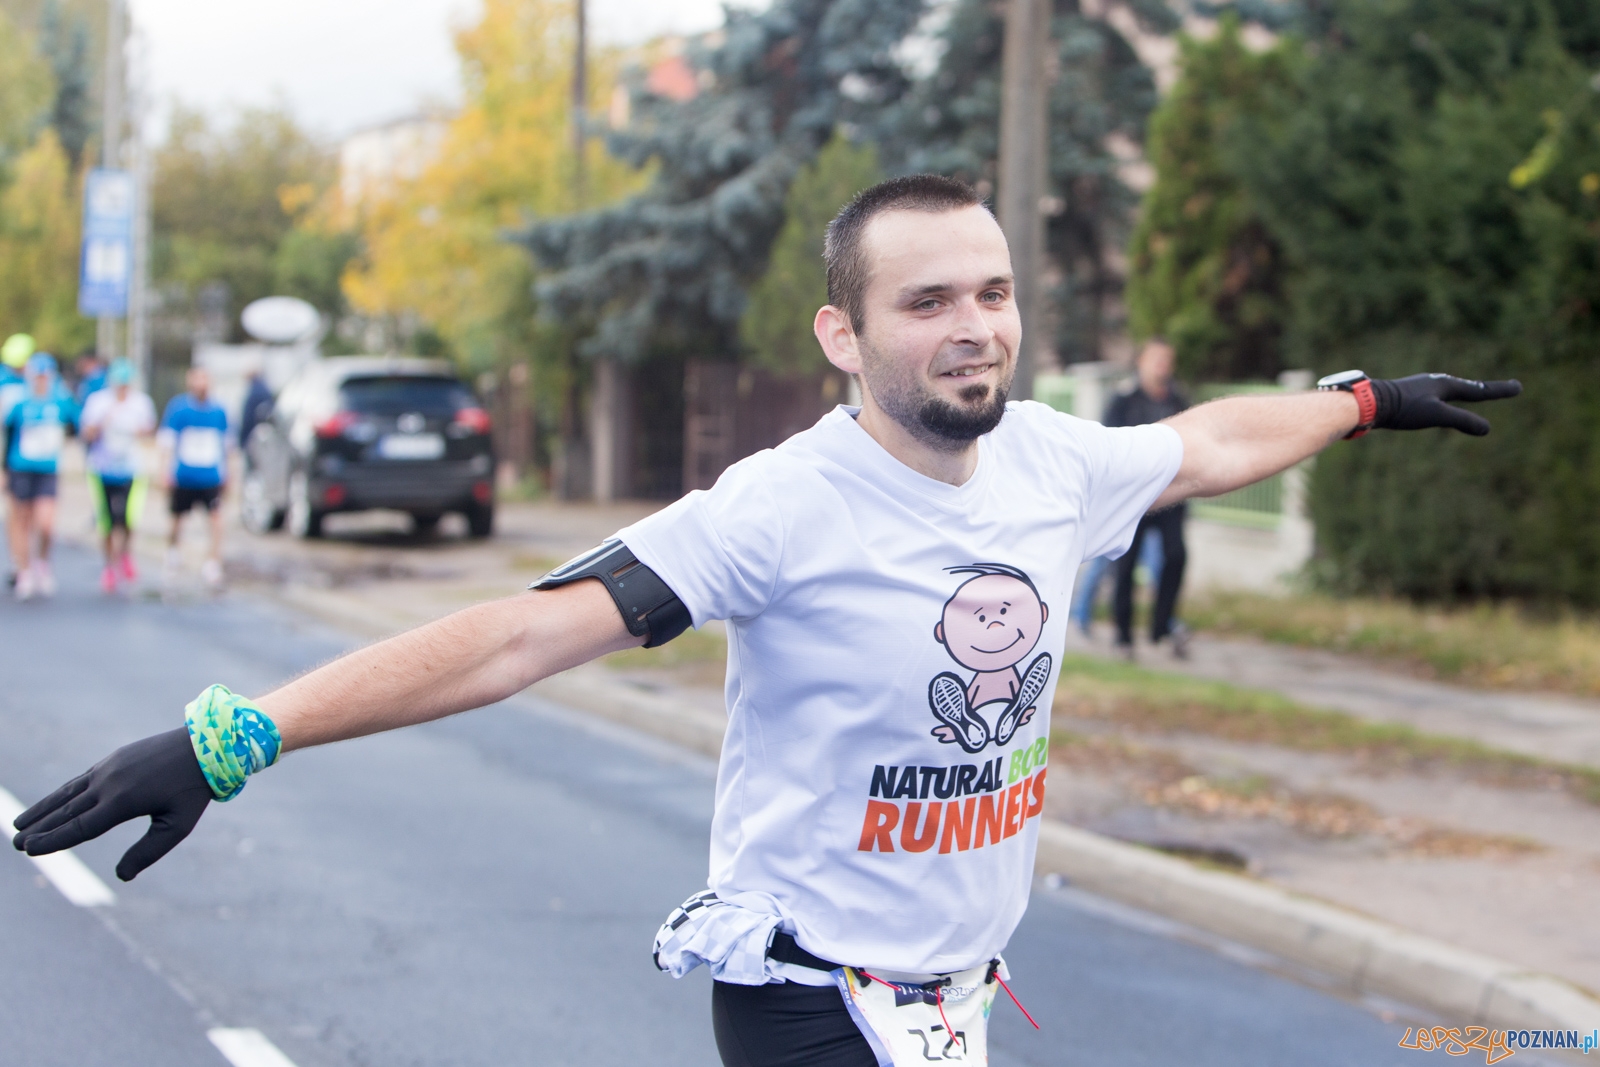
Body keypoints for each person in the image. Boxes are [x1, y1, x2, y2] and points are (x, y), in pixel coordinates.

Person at [10, 176, 1520, 1067]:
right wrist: (239, 734)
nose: (975, 327)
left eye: (992, 292)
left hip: (954, 997)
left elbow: (1204, 443)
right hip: (813, 1005)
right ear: (842, 334)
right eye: (928, 302)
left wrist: (1361, 402)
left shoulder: (1055, 459)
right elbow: (521, 635)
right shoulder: (778, 508)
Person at [1105, 339, 1191, 659]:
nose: (1162, 365)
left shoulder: (1179, 401)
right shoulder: (1124, 400)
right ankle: (1123, 636)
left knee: (1176, 556)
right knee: (1125, 566)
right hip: (1133, 499)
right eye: (1156, 358)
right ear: (1141, 361)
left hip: (1170, 496)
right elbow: (1109, 445)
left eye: (1167, 359)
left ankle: (1162, 627)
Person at [80, 359, 157, 592]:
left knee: (129, 518)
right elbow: (86, 432)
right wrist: (105, 420)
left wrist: (137, 429)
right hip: (102, 468)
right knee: (107, 521)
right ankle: (109, 565)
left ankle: (125, 555)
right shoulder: (98, 401)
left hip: (131, 468)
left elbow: (149, 431)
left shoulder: (141, 402)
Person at [5, 353, 76, 599]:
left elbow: (76, 424)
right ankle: (23, 569)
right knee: (21, 520)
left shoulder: (60, 401)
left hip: (48, 470)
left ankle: (42, 563)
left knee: (46, 523)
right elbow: (8, 434)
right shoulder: (19, 401)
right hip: (21, 467)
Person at [158, 367, 230, 591]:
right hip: (185, 475)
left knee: (216, 520)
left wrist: (228, 474)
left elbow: (227, 446)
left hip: (210, 476)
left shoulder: (219, 411)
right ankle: (173, 553)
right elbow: (167, 442)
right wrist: (164, 471)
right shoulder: (179, 408)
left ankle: (213, 562)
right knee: (177, 518)